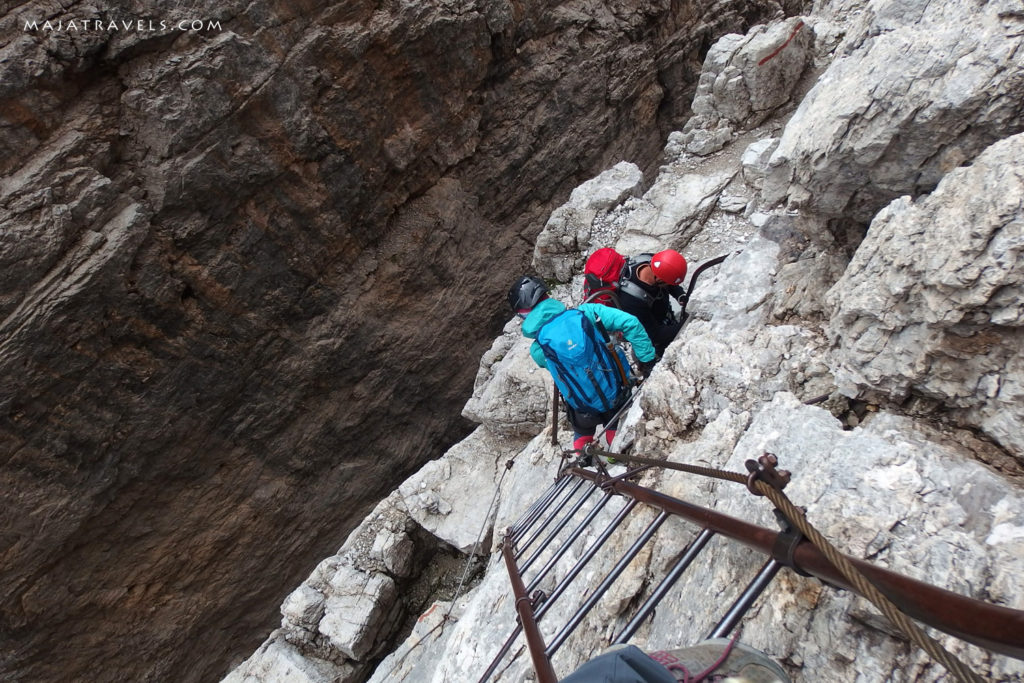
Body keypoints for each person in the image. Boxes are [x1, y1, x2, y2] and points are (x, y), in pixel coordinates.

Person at [508, 275, 656, 453]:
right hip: (617, 391)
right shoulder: (587, 313)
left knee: (582, 430)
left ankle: (583, 455)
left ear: (523, 314)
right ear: (547, 296)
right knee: (615, 424)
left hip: (582, 407)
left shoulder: (538, 349)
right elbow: (630, 323)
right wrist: (647, 361)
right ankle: (616, 453)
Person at [615, 249, 688, 359]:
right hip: (652, 333)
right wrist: (685, 324)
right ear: (658, 278)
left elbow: (669, 279)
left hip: (662, 317)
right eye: (666, 283)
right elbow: (655, 335)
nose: (668, 285)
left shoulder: (651, 260)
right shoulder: (631, 299)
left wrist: (680, 295)